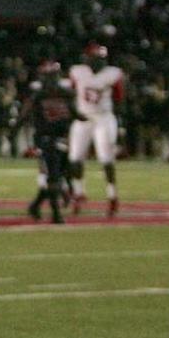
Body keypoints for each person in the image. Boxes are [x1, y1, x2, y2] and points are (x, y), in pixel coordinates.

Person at [67, 42, 125, 217]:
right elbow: (69, 95)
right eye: (95, 59)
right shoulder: (78, 71)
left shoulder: (113, 74)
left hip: (104, 117)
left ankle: (112, 196)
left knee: (106, 158)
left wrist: (120, 126)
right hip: (83, 117)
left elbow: (120, 100)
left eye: (101, 59)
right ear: (87, 59)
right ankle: (78, 193)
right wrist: (74, 113)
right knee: (75, 158)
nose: (99, 63)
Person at [20, 60, 81, 223]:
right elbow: (25, 113)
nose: (51, 79)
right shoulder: (38, 94)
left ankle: (35, 205)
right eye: (48, 76)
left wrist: (87, 120)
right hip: (45, 138)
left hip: (62, 138)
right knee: (53, 176)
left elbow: (74, 112)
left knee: (61, 175)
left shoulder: (65, 92)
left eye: (53, 76)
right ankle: (55, 213)